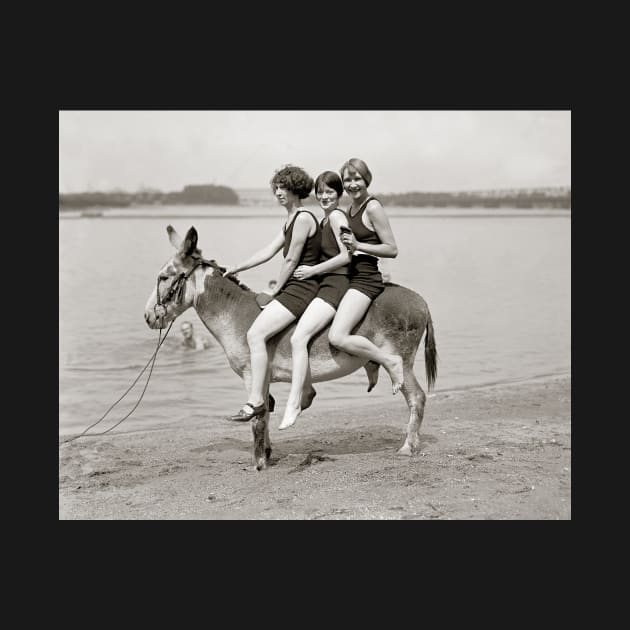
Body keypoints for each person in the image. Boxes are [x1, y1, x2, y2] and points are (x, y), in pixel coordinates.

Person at [223, 164, 322, 422]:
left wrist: (275, 291)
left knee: (255, 334)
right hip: (295, 286)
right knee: (258, 334)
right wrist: (237, 267)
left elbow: (290, 261)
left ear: (296, 190)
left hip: (302, 288)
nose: (279, 192)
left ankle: (256, 400)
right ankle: (267, 395)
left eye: (284, 188)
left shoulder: (302, 218)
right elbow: (268, 251)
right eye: (276, 187)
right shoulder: (290, 219)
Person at [277, 171, 352, 429]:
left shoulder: (337, 217)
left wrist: (311, 271)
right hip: (324, 284)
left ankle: (295, 401)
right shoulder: (323, 220)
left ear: (339, 194)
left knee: (299, 338)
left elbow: (346, 256)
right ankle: (305, 389)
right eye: (320, 192)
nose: (324, 196)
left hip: (335, 285)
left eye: (330, 192)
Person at [328, 157, 404, 394]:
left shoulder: (372, 207)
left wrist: (359, 244)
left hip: (365, 279)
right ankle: (370, 362)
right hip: (348, 277)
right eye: (347, 180)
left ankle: (388, 361)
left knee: (338, 336)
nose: (352, 184)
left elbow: (392, 249)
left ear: (366, 179)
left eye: (357, 178)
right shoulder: (349, 209)